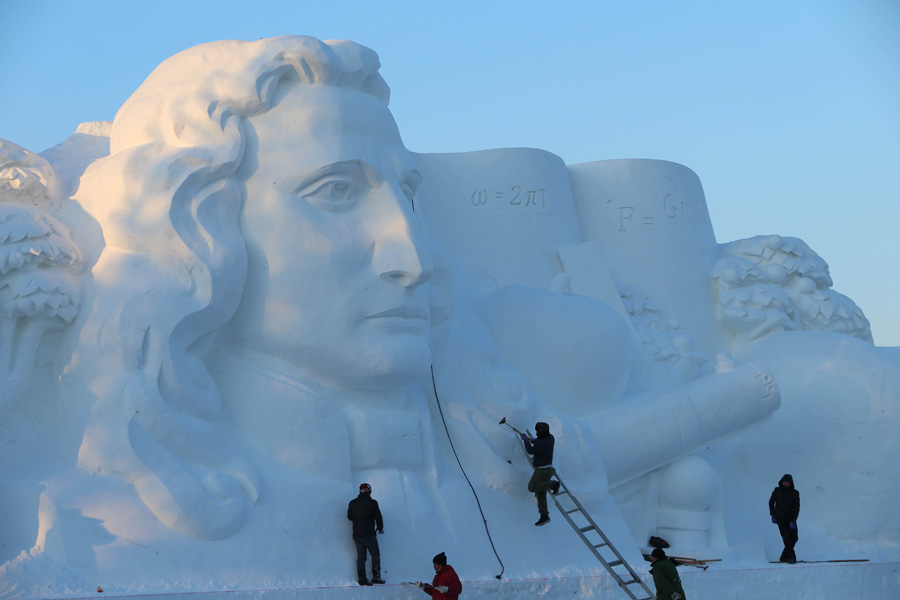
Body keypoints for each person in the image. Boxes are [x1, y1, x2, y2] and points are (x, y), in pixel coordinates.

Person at [521, 421, 560, 526]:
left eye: (537, 430)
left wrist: (526, 441)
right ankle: (544, 516)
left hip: (541, 471)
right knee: (540, 492)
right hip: (549, 470)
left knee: (531, 487)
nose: (536, 432)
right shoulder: (550, 438)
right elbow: (540, 442)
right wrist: (534, 440)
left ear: (540, 431)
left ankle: (553, 484)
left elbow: (530, 450)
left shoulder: (541, 443)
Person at [347, 483, 385, 586]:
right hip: (369, 534)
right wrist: (380, 528)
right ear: (369, 491)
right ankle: (376, 577)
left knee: (361, 557)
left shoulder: (352, 503)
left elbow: (349, 517)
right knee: (375, 554)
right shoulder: (372, 503)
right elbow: (378, 517)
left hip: (357, 535)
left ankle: (362, 578)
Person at [768, 473, 800, 563]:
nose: (785, 484)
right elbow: (771, 502)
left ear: (791, 484)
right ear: (781, 482)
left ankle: (783, 557)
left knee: (794, 538)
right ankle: (791, 557)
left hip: (791, 520)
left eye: (787, 483)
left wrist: (793, 521)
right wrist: (773, 514)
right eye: (784, 482)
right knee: (787, 539)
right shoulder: (777, 491)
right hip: (780, 519)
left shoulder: (795, 493)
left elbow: (796, 508)